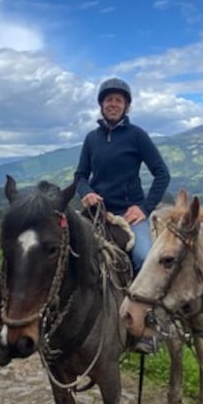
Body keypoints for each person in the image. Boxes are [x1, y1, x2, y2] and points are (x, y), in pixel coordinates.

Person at [75, 77, 170, 274]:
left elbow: (162, 174)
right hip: (97, 214)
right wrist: (86, 192)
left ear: (126, 106)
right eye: (109, 99)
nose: (113, 104)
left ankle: (144, 305)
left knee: (144, 258)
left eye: (119, 100)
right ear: (101, 104)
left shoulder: (137, 136)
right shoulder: (92, 139)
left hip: (129, 215)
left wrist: (144, 208)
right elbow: (80, 175)